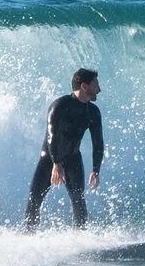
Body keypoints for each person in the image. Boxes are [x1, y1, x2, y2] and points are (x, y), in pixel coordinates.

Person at [26, 68, 104, 229]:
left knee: (78, 199)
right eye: (96, 83)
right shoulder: (60, 106)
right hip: (49, 159)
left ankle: (80, 237)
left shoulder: (93, 112)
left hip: (73, 158)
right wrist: (56, 163)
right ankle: (29, 236)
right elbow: (51, 136)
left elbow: (98, 143)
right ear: (84, 86)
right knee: (35, 200)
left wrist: (96, 170)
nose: (99, 88)